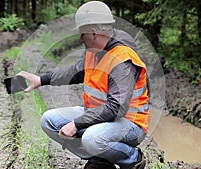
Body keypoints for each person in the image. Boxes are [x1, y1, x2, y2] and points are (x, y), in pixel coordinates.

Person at [17, 1, 149, 169]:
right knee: (49, 120)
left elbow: (116, 108)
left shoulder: (123, 59)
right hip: (100, 117)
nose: (80, 39)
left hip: (130, 124)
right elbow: (73, 72)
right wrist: (40, 80)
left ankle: (132, 158)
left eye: (82, 34)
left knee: (91, 139)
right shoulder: (95, 51)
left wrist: (76, 124)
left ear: (93, 32)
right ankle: (101, 158)